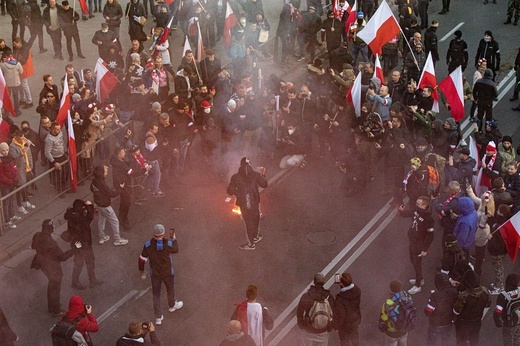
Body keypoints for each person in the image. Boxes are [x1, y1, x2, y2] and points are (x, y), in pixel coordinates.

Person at [30, 219, 77, 317]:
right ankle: (56, 310)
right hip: (52, 266)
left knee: (51, 285)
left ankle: (51, 307)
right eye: (53, 226)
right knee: (55, 287)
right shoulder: (51, 242)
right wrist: (73, 250)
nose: (54, 227)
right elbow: (62, 257)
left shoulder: (37, 235)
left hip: (42, 263)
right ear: (50, 228)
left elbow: (33, 246)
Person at [138, 224, 183, 325]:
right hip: (167, 272)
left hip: (155, 274)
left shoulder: (148, 245)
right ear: (163, 234)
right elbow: (176, 249)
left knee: (156, 295)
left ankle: (158, 317)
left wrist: (141, 271)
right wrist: (174, 238)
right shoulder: (168, 244)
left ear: (154, 234)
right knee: (170, 289)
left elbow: (142, 259)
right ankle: (172, 305)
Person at [226, 157, 268, 250]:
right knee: (256, 218)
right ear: (250, 165)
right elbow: (264, 184)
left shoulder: (235, 177)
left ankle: (251, 244)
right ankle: (256, 237)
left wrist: (237, 192)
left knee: (248, 222)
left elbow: (229, 191)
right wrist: (263, 176)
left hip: (244, 204)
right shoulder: (255, 175)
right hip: (254, 201)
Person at [64, 199, 104, 290]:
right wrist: (89, 206)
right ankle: (75, 282)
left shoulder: (75, 214)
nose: (84, 209)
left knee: (90, 261)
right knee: (79, 263)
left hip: (85, 242)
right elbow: (89, 218)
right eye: (82, 207)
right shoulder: (76, 217)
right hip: (79, 243)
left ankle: (92, 280)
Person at [90, 164, 129, 246]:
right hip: (105, 205)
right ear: (101, 173)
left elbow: (92, 189)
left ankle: (102, 237)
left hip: (98, 204)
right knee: (115, 221)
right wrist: (120, 189)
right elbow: (112, 194)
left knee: (101, 220)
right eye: (106, 172)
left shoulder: (94, 181)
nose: (107, 173)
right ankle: (117, 239)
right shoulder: (102, 183)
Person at [453, 269, 491, 345]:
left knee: (461, 341)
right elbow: (487, 305)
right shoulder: (485, 291)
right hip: (476, 321)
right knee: (474, 338)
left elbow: (456, 311)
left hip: (463, 323)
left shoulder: (464, 296)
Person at [297, 273, 334, 345]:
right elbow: (334, 312)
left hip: (309, 329)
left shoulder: (307, 296)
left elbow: (300, 311)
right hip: (323, 330)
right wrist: (330, 326)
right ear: (324, 282)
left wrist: (301, 324)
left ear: (314, 282)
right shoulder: (328, 297)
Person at [424, 273, 458, 346]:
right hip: (448, 322)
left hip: (435, 323)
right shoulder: (454, 292)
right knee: (445, 341)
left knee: (431, 341)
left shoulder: (435, 295)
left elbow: (428, 312)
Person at [379, 279, 416, 345]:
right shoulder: (407, 297)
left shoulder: (387, 304)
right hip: (404, 329)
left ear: (391, 289)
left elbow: (383, 319)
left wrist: (382, 328)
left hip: (392, 332)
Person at [333, 272, 362, 346]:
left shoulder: (340, 299)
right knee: (355, 340)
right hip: (355, 321)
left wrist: (337, 327)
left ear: (342, 284)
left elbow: (341, 315)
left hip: (345, 326)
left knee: (345, 342)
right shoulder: (357, 290)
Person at [493, 273, 520, 346]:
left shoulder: (503, 296)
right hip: (518, 322)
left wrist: (497, 320)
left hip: (509, 324)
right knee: (517, 341)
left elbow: (498, 310)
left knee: (508, 342)